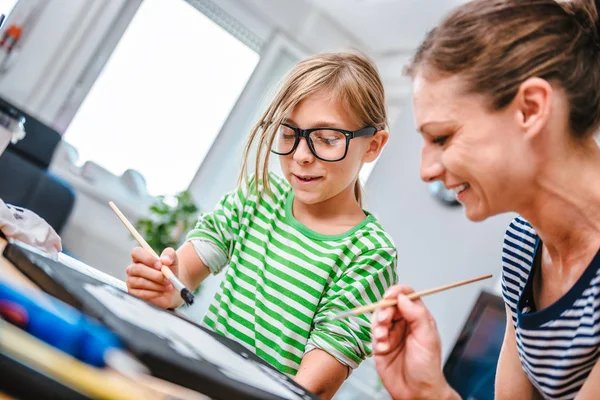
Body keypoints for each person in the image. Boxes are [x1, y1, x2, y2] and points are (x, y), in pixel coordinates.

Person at [126, 51, 398, 399]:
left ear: (373, 145)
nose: (301, 154)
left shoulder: (370, 254)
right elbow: (181, 274)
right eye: (289, 133)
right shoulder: (257, 196)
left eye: (327, 139)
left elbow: (311, 386)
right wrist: (164, 285)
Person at [372, 0, 600, 399]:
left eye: (441, 138)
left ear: (530, 109)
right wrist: (429, 391)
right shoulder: (521, 245)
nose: (426, 170)